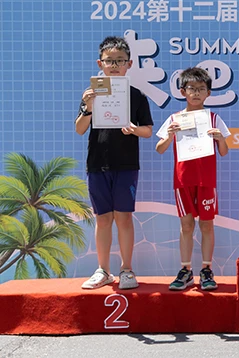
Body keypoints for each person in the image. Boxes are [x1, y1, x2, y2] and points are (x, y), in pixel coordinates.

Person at [77, 36, 153, 290]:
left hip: (126, 165)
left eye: (120, 61)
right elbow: (79, 129)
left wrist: (134, 129)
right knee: (103, 219)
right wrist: (88, 107)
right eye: (109, 61)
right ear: (100, 63)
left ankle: (126, 269)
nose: (115, 66)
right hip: (97, 164)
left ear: (129, 64)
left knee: (124, 218)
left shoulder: (137, 96)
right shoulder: (91, 94)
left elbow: (148, 131)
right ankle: (103, 271)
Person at [155, 67, 230, 291]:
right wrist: (169, 135)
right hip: (183, 180)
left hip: (206, 180)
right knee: (186, 226)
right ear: (182, 91)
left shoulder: (213, 118)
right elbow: (159, 148)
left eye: (201, 89)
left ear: (208, 93)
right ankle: (186, 270)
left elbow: (224, 152)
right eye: (191, 88)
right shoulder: (174, 119)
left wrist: (220, 139)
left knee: (207, 224)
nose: (196, 93)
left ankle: (206, 269)